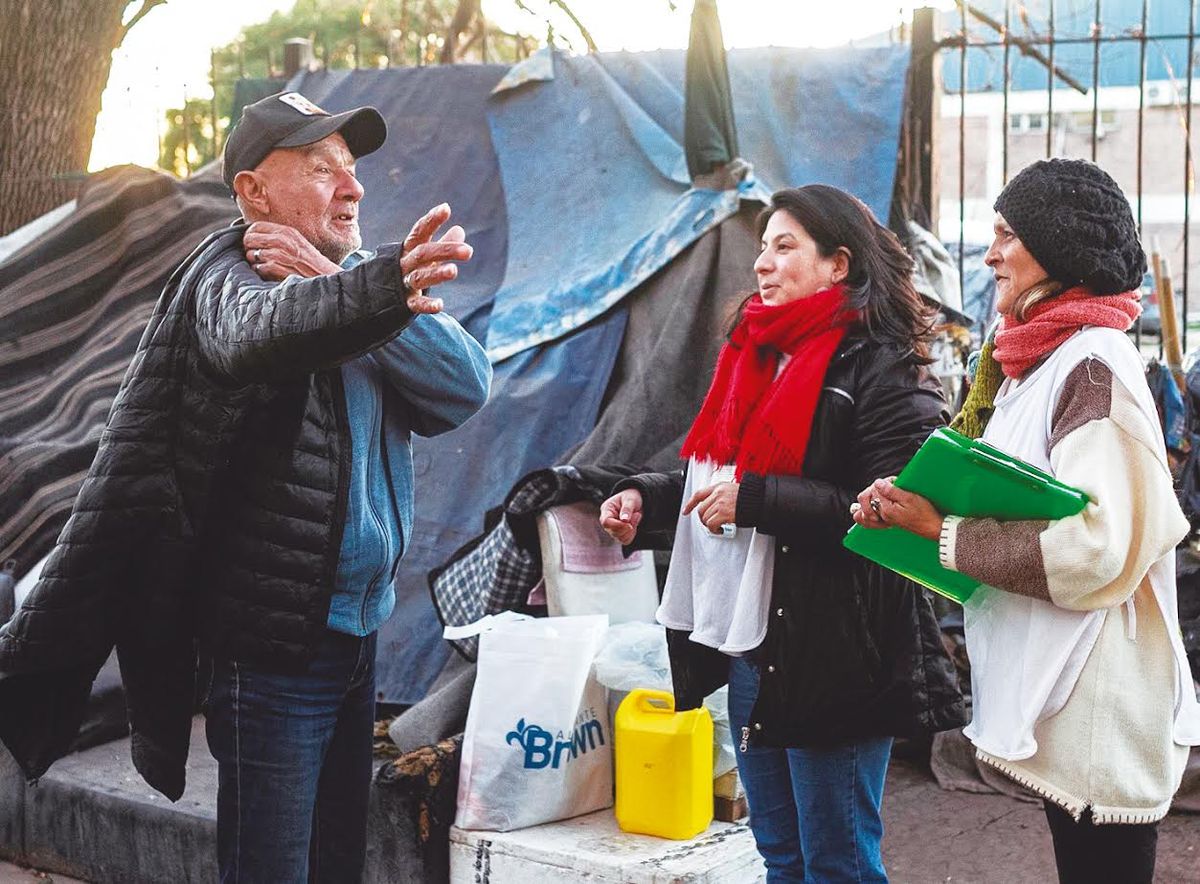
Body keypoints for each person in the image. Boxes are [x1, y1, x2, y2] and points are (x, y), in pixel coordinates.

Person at [0, 91, 492, 883]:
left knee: (339, 865)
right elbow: (253, 336)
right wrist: (357, 292)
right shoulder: (224, 275)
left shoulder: (358, 281)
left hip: (357, 641)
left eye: (353, 169)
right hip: (271, 654)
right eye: (321, 167)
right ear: (253, 194)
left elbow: (465, 384)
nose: (352, 187)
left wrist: (348, 283)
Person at [599, 185, 966, 883]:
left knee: (836, 862)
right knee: (782, 854)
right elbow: (717, 478)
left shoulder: (884, 367)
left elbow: (893, 509)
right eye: (763, 248)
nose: (762, 264)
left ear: (838, 264)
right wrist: (643, 499)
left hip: (836, 649)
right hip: (753, 645)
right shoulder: (755, 355)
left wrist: (758, 501)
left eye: (785, 246)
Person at [854, 157, 1200, 884]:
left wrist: (938, 532)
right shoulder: (1034, 365)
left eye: (1007, 234)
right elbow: (1009, 496)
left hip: (1098, 707)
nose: (989, 255)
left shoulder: (1093, 366)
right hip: (1065, 693)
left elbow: (1095, 547)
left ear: (1058, 247)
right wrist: (912, 508)